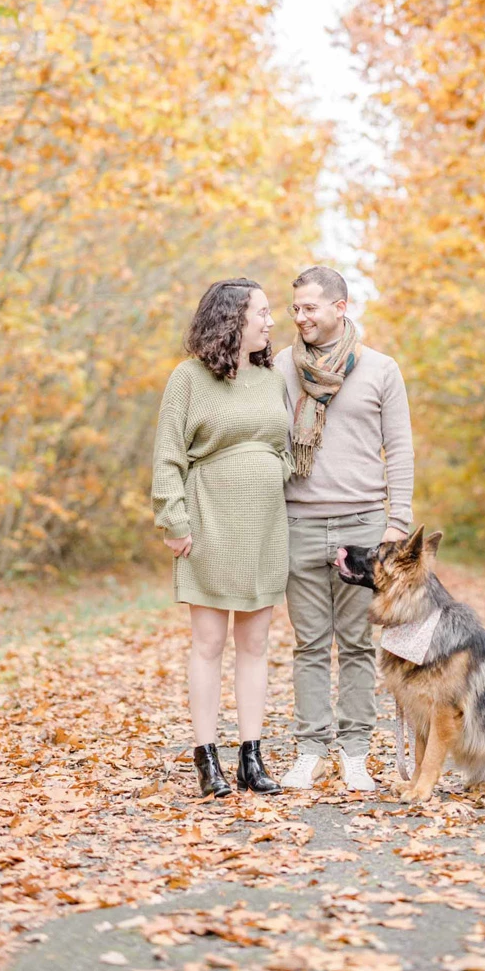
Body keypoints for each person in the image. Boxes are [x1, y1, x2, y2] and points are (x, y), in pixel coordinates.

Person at [275, 265, 414, 791]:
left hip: (364, 527)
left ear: (340, 307)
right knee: (309, 645)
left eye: (309, 307)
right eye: (295, 308)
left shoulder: (381, 369)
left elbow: (399, 448)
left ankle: (356, 752)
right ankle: (310, 751)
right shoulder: (280, 367)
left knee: (356, 645)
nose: (300, 317)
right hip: (299, 522)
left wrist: (397, 522)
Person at [152, 278, 292, 798]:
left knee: (255, 644)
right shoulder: (187, 378)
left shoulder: (271, 378)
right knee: (209, 643)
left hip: (265, 527)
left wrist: (273, 472)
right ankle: (206, 758)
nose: (271, 321)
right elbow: (168, 455)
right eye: (263, 312)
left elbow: (282, 447)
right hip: (209, 521)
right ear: (232, 318)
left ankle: (251, 758)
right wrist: (174, 521)